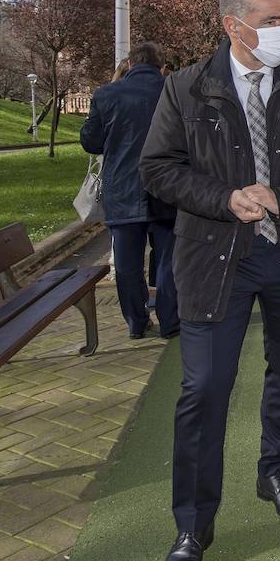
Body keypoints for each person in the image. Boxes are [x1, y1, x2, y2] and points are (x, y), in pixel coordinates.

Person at [140, 0, 280, 561]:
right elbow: (158, 169)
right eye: (270, 22)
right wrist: (224, 197)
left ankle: (275, 472)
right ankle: (192, 523)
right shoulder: (186, 88)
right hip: (215, 257)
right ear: (234, 26)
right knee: (204, 387)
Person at [80, 41, 177, 339]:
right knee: (168, 259)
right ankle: (170, 321)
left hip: (122, 189)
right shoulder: (175, 90)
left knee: (127, 264)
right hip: (168, 188)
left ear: (131, 64)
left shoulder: (107, 94)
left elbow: (91, 142)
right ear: (161, 66)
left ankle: (137, 321)